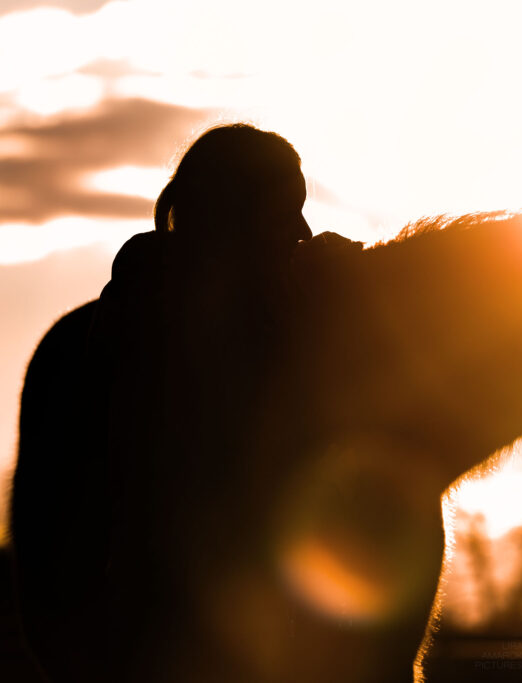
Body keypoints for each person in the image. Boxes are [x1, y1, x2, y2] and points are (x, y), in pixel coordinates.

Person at [12, 123, 318, 682]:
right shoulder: (163, 317)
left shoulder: (173, 296)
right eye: (286, 211)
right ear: (239, 216)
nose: (302, 230)